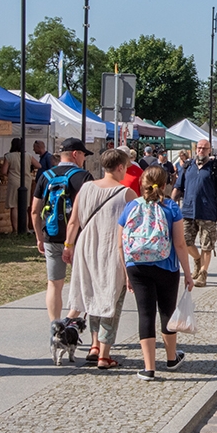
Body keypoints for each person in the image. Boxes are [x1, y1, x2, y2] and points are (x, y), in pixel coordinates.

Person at [63, 149, 137, 369]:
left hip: (86, 247)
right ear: (121, 167)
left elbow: (73, 221)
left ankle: (94, 346)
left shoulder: (85, 188)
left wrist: (68, 245)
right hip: (112, 249)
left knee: (91, 296)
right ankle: (104, 354)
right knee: (112, 300)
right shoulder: (126, 194)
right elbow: (133, 230)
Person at [118, 165, 194, 381]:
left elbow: (120, 244)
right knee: (167, 312)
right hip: (166, 265)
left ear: (142, 183)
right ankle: (171, 358)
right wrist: (188, 273)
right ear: (164, 184)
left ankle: (149, 368)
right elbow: (180, 244)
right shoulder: (171, 208)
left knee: (145, 314)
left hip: (137, 266)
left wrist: (126, 273)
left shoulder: (131, 206)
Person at [31, 137, 94, 322]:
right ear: (75, 154)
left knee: (54, 284)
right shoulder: (84, 177)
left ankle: (54, 324)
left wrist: (38, 237)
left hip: (51, 235)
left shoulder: (46, 176)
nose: (84, 159)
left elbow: (34, 210)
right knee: (85, 283)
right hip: (77, 239)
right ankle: (70, 319)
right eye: (83, 154)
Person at [172, 139, 217, 288]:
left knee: (207, 245)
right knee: (185, 241)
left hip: (208, 211)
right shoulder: (188, 166)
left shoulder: (215, 167)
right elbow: (178, 187)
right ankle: (197, 259)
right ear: (195, 149)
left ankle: (203, 273)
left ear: (209, 150)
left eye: (205, 148)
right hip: (188, 211)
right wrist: (170, 204)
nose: (201, 151)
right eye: (199, 148)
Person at [0, 137, 40, 234]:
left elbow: (4, 171)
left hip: (13, 181)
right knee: (24, 206)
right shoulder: (28, 155)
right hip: (26, 181)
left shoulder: (9, 156)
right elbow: (39, 165)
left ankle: (16, 229)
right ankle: (25, 228)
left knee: (14, 206)